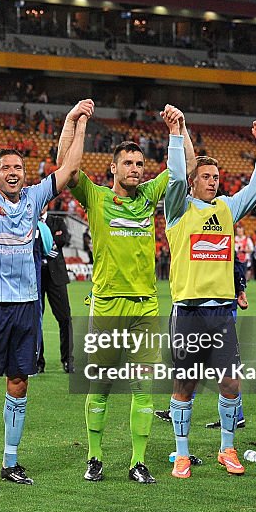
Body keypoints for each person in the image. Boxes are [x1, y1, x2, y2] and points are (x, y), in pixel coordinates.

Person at [0, 99, 90, 490]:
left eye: (18, 167)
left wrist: (77, 124)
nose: (13, 173)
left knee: (20, 382)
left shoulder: (34, 199)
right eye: (6, 168)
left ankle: (11, 462)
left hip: (25, 306)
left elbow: (68, 169)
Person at [69, 130, 194, 483]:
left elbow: (186, 169)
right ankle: (94, 457)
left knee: (143, 387)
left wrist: (179, 131)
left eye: (140, 163)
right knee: (102, 386)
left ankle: (138, 462)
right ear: (113, 168)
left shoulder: (149, 195)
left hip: (144, 309)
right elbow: (70, 169)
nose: (136, 169)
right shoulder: (95, 197)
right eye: (128, 163)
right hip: (107, 306)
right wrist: (77, 125)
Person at [165, 109, 256, 480]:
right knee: (185, 383)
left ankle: (227, 448)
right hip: (189, 310)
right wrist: (176, 134)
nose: (213, 181)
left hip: (222, 311)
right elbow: (176, 173)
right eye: (206, 177)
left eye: (216, 177)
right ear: (193, 181)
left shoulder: (226, 208)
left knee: (230, 382)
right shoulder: (177, 209)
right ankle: (182, 454)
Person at [36, 210, 72, 373]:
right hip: (35, 275)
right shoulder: (29, 219)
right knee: (35, 320)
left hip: (56, 276)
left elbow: (63, 239)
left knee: (65, 318)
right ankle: (37, 361)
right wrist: (51, 242)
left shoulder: (58, 220)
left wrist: (43, 242)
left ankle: (68, 359)